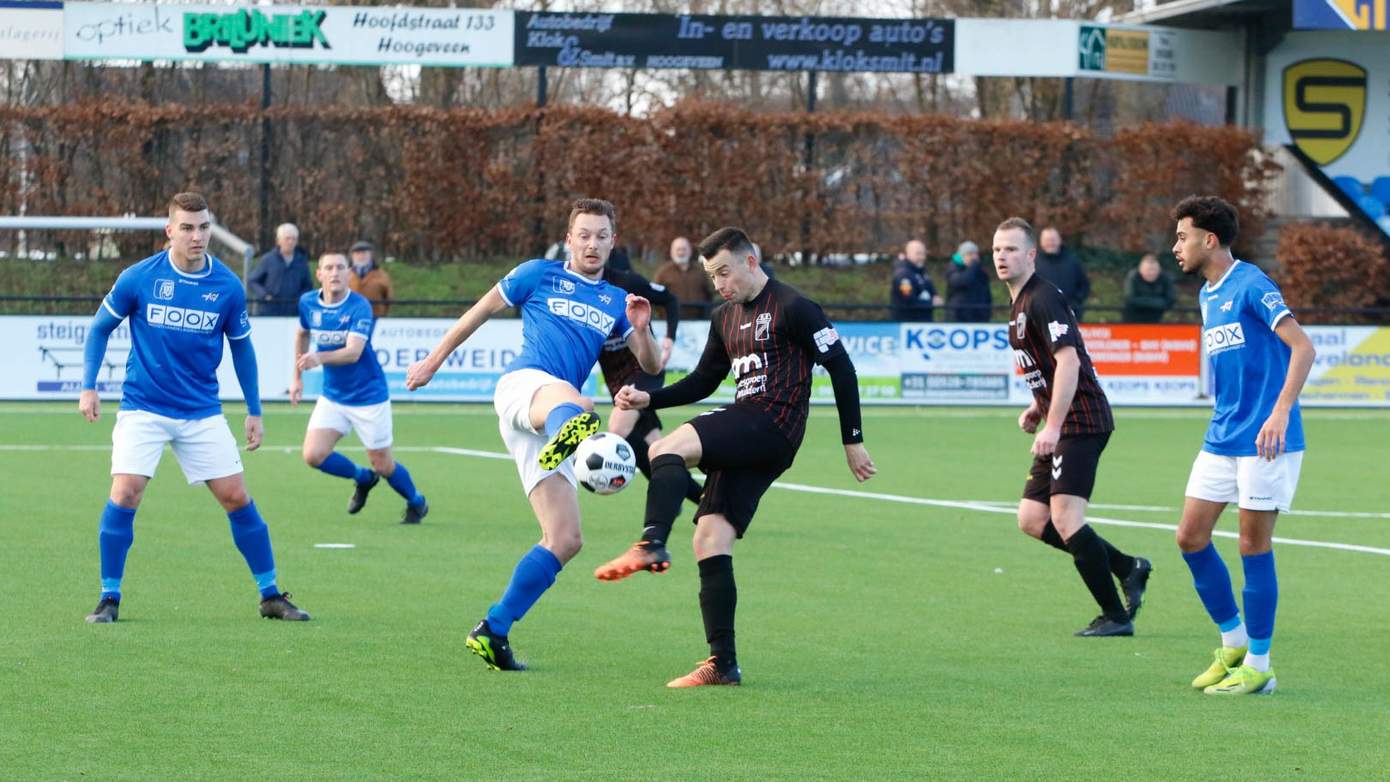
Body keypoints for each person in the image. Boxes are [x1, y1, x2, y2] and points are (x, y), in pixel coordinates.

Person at [594, 226, 876, 688]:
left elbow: (841, 367)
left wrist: (853, 439)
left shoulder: (794, 307)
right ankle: (722, 663)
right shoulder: (724, 318)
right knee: (709, 536)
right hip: (755, 435)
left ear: (750, 261)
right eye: (712, 276)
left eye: (725, 271)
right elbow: (703, 382)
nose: (720, 283)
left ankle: (649, 541)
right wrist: (649, 400)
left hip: (771, 421)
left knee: (665, 448)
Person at [404, 198, 660, 671]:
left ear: (612, 242)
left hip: (547, 420)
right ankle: (583, 443)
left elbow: (651, 365)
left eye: (602, 235)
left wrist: (641, 329)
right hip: (525, 388)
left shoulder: (615, 301)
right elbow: (477, 313)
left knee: (565, 538)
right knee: (580, 401)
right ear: (569, 239)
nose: (592, 243)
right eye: (584, 234)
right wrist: (434, 360)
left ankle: (493, 630)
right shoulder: (537, 274)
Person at [78, 192, 310, 624]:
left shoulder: (226, 287)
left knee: (236, 496)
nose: (197, 235)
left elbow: (243, 351)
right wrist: (88, 386)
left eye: (203, 227)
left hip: (201, 411)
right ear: (170, 231)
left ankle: (271, 595)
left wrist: (254, 409)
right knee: (126, 491)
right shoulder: (138, 277)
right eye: (186, 227)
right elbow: (99, 329)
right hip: (143, 407)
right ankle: (109, 598)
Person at [1170, 196, 1315, 696]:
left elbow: (1303, 347)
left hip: (1265, 440)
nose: (1176, 247)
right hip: (1222, 434)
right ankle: (1232, 642)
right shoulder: (1208, 295)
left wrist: (1279, 413)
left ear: (1209, 239)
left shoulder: (1253, 284)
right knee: (1190, 537)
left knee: (1253, 545)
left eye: (1182, 236)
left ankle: (1260, 665)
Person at [994, 217, 1150, 638]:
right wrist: (1036, 406)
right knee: (1031, 518)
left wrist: (1054, 424)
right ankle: (1126, 566)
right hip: (1061, 421)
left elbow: (1069, 360)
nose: (1002, 257)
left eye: (1011, 249)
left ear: (1030, 255)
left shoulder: (1043, 298)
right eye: (997, 250)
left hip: (1082, 422)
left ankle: (1116, 617)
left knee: (1065, 517)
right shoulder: (1018, 304)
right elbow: (1047, 367)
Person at [291, 253, 428, 525]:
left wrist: (319, 358)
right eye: (328, 268)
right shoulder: (308, 303)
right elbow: (302, 333)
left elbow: (353, 352)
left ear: (348, 273)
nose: (334, 273)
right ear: (319, 274)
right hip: (333, 395)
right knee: (313, 455)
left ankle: (417, 501)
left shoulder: (359, 306)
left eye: (340, 268)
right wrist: (296, 378)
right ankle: (362, 478)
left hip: (368, 396)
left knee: (384, 465)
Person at [597, 263, 702, 505]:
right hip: (615, 377)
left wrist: (668, 338)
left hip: (645, 369)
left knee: (619, 428)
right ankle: (700, 499)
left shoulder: (628, 281)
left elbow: (670, 300)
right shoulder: (575, 292)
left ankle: (673, 498)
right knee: (658, 449)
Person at [249, 222, 313, 316]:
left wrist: (300, 298)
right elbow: (253, 281)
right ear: (278, 241)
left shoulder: (302, 261)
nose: (291, 242)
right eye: (287, 238)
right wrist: (265, 295)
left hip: (294, 313)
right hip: (269, 312)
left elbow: (308, 285)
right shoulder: (268, 259)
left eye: (294, 239)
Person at [1036, 227, 1091, 322]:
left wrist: (1075, 302)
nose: (1050, 243)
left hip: (1069, 315)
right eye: (1047, 240)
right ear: (1041, 242)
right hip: (1040, 315)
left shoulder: (1073, 262)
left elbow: (1084, 285)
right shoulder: (1033, 264)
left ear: (1059, 240)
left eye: (1053, 240)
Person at [654, 236, 714, 318]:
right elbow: (655, 296)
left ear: (690, 251)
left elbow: (709, 294)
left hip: (699, 323)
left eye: (684, 249)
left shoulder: (701, 271)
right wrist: (664, 315)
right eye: (678, 249)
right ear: (672, 252)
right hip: (671, 322)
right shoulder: (663, 273)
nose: (681, 252)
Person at [890, 239, 941, 322]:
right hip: (907, 324)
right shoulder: (903, 275)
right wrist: (931, 303)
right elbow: (909, 301)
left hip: (924, 322)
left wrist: (935, 297)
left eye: (923, 254)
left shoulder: (922, 272)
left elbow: (933, 292)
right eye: (918, 254)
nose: (922, 257)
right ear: (908, 254)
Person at [945, 240, 993, 322]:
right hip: (958, 317)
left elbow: (986, 291)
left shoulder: (980, 271)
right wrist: (973, 267)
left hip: (979, 316)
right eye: (970, 254)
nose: (974, 258)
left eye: (975, 254)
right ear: (962, 256)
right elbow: (962, 282)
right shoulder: (953, 268)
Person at [1121, 253, 1176, 323]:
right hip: (1133, 320)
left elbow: (1170, 300)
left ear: (1159, 270)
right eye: (1148, 270)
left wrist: (1143, 302)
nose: (1151, 273)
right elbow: (1130, 299)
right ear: (1141, 270)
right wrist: (1158, 303)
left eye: (1154, 270)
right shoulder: (1133, 277)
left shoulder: (1165, 278)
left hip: (1157, 319)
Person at [348, 240, 393, 319]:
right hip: (350, 319)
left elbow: (389, 298)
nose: (361, 256)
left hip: (375, 318)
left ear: (371, 255)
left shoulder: (382, 275)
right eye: (357, 254)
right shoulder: (345, 275)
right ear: (352, 256)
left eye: (364, 253)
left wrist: (383, 315)